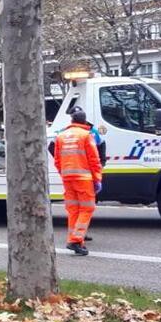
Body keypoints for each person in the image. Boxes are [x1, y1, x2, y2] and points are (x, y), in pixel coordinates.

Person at [53, 107, 103, 256]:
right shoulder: (86, 135)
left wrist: (64, 174)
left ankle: (74, 239)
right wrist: (97, 179)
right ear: (84, 121)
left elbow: (57, 160)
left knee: (73, 210)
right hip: (84, 179)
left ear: (72, 120)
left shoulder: (60, 136)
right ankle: (76, 239)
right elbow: (94, 160)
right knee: (87, 208)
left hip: (68, 179)